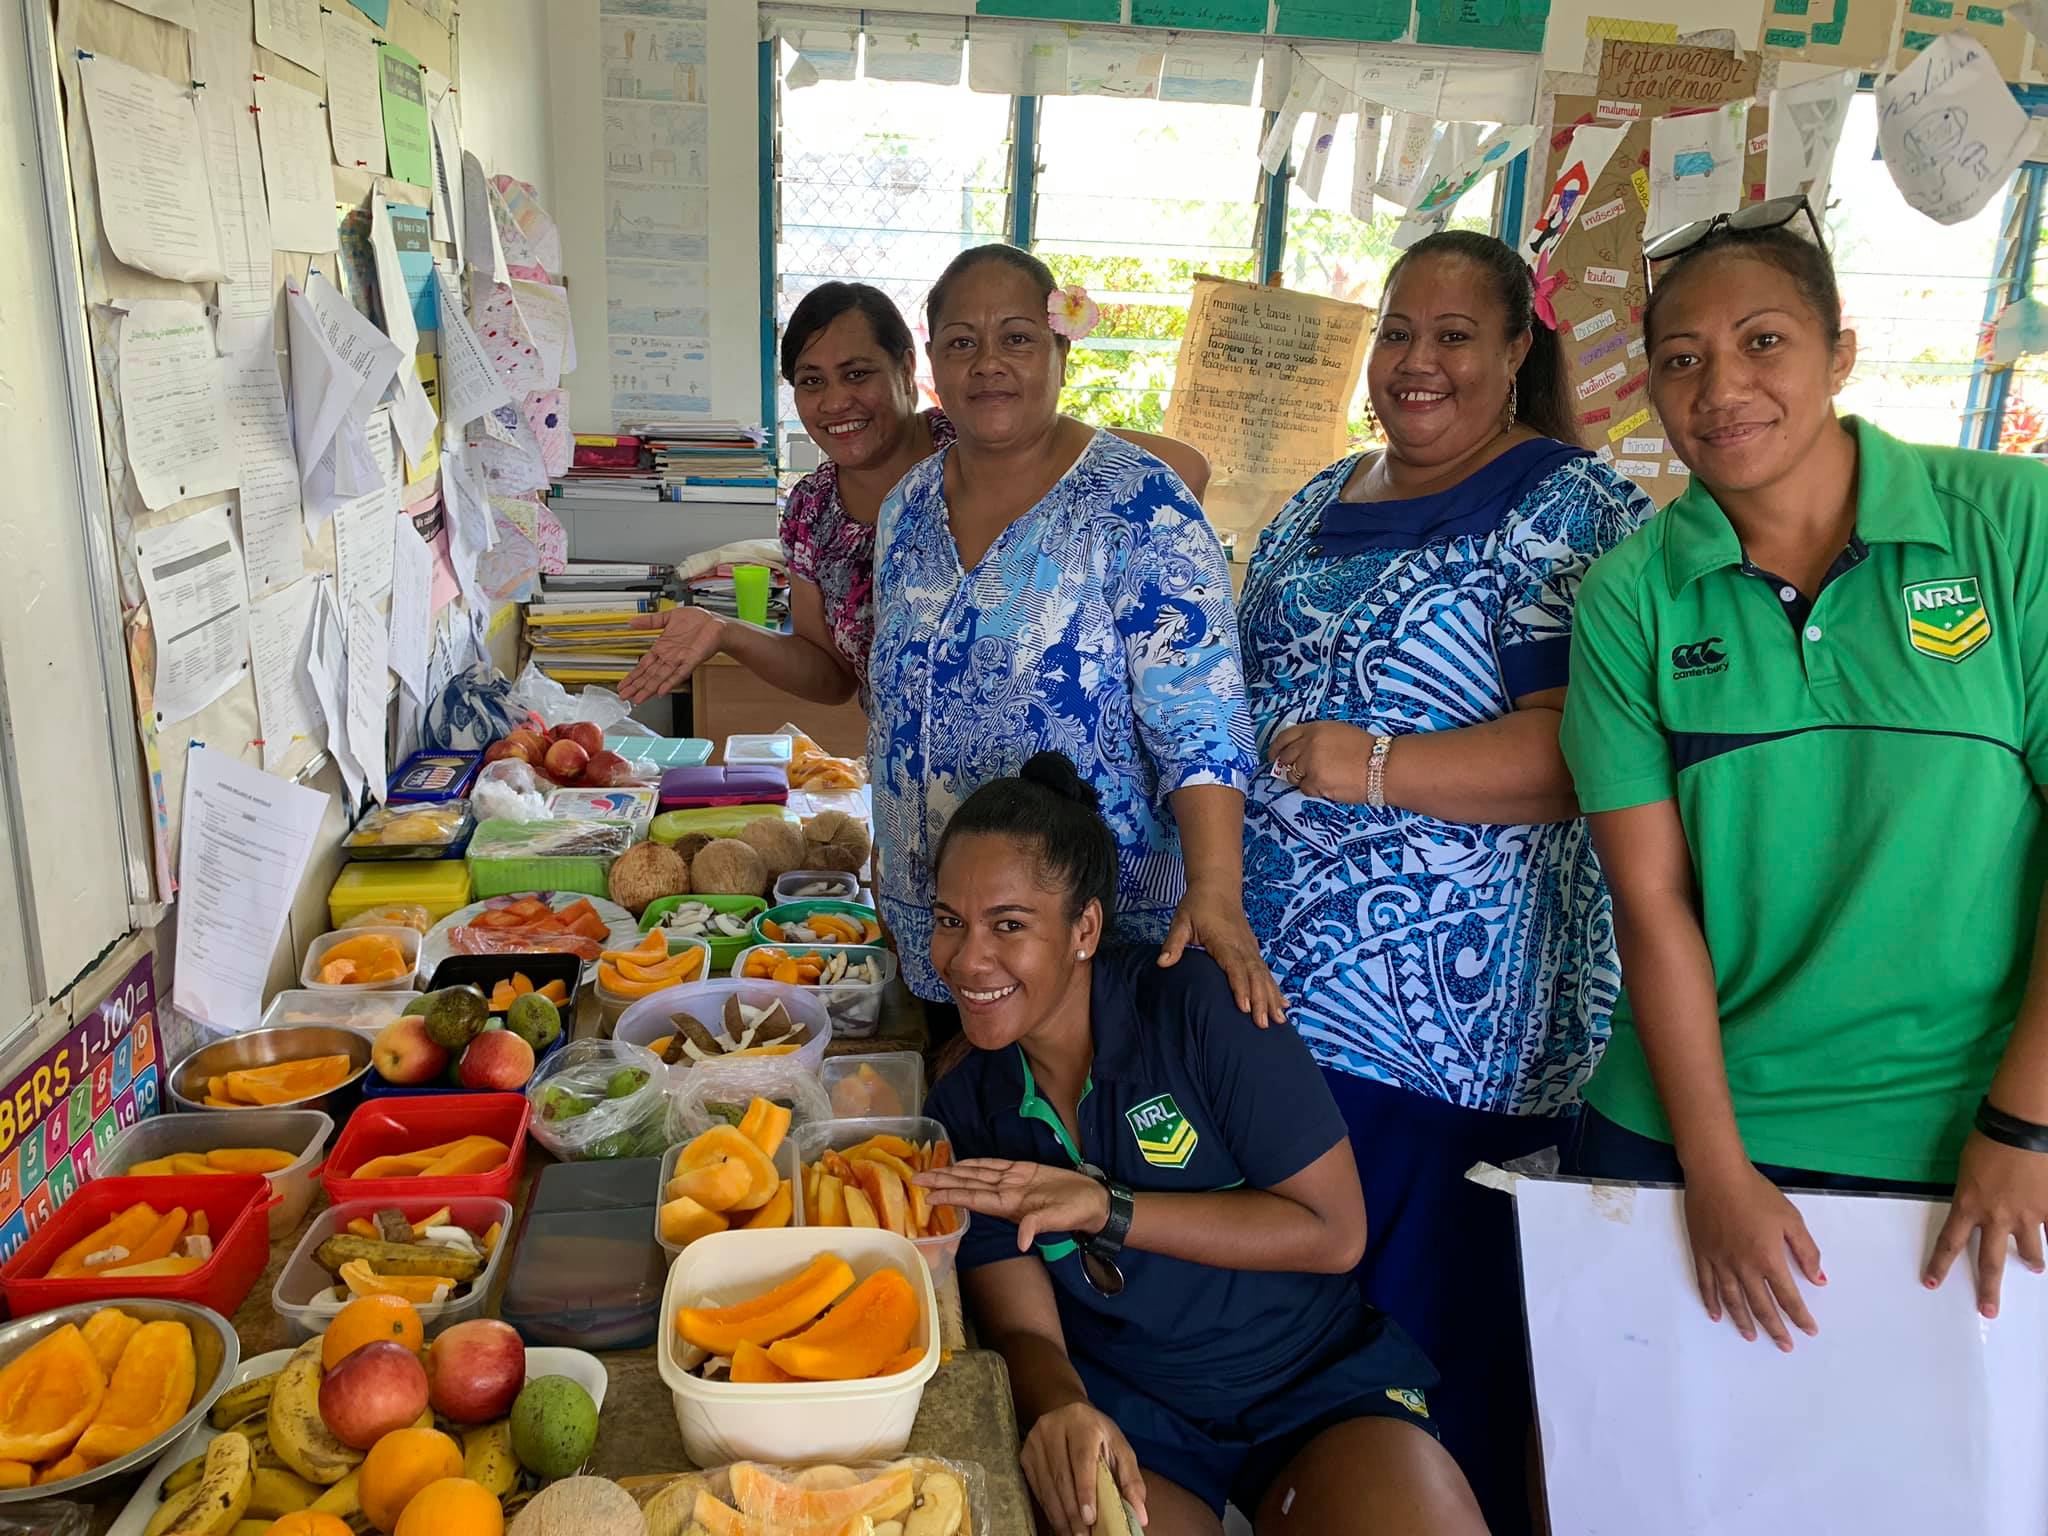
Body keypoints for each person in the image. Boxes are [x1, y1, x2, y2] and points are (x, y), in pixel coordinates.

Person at [1559, 197, 2048, 1350]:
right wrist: (1713, 1169)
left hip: (1961, 1135)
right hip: (1690, 1120)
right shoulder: (1633, 596)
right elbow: (1651, 899)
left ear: (1839, 350)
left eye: (1761, 341)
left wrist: (2021, 1126)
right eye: (1680, 359)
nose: (1719, 387)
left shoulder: (2009, 526)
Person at [1236, 229, 1653, 1532]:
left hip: (1458, 1043)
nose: (1418, 363)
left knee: (1435, 1375)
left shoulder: (1568, 509)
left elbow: (1593, 753)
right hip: (1278, 1019)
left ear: (1519, 352)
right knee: (1303, 1366)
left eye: (1456, 335)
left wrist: (1374, 767)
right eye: (1398, 332)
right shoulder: (1319, 495)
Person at [916, 753, 1487, 1536]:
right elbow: (1022, 1330)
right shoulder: (967, 1101)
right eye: (950, 920)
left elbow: (1334, 1232)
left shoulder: (1195, 1007)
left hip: (1312, 1384)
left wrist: (1106, 1209)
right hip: (1134, 1414)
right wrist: (1064, 1410)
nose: (966, 958)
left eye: (1008, 925)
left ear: (1084, 928)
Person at [869, 244, 1281, 1023]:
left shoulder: (1139, 506)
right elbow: (898, 704)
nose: (988, 362)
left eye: (1017, 337)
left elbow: (1203, 723)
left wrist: (1216, 890)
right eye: (962, 341)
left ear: (1062, 346)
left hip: (1089, 937)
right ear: (933, 359)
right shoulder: (906, 508)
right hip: (942, 923)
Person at [619, 282, 1210, 709]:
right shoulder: (812, 510)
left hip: (1055, 784)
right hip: (913, 790)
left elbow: (1185, 468)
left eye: (857, 374)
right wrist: (726, 632)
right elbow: (831, 677)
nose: (833, 403)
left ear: (907, 368)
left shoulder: (981, 438)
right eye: (811, 381)